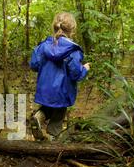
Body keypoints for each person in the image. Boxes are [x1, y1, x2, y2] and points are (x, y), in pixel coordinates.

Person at [29, 12, 90, 141]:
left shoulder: (44, 45)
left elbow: (34, 65)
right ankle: (53, 139)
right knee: (58, 114)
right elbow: (76, 74)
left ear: (55, 27)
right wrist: (84, 68)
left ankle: (39, 116)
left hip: (45, 89)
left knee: (48, 107)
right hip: (62, 91)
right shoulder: (72, 50)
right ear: (72, 30)